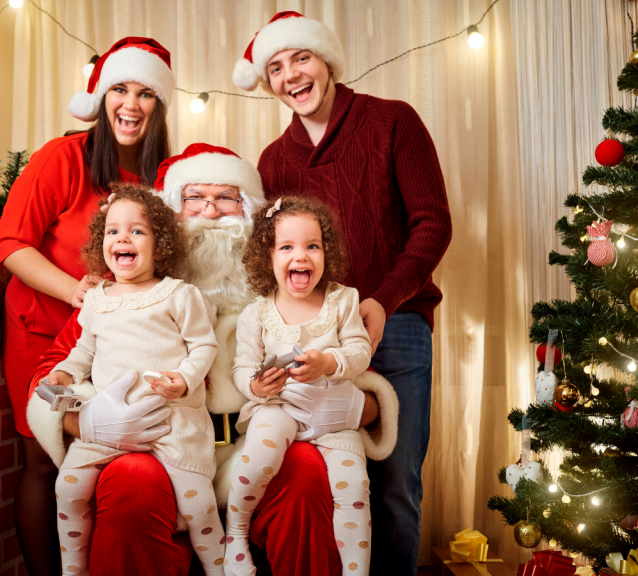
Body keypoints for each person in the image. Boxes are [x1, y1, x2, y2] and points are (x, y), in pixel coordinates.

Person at [26, 144, 399, 576]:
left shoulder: (298, 290)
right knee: (130, 480)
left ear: (253, 216)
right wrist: (84, 421)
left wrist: (352, 407)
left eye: (226, 198)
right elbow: (51, 371)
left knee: (307, 471)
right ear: (169, 217)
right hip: (163, 445)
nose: (210, 211)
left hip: (261, 448)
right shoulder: (116, 293)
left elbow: (361, 381)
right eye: (193, 198)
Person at [232, 12, 452, 575]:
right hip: (311, 336)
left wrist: (381, 298)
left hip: (396, 322)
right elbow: (272, 255)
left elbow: (433, 222)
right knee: (323, 475)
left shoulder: (392, 122)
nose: (291, 76)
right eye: (275, 68)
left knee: (396, 482)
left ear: (325, 60)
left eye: (300, 58)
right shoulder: (274, 161)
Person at [0, 37, 175, 576]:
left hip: (113, 347)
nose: (131, 104)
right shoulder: (62, 157)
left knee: (102, 458)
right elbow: (10, 244)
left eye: (145, 93)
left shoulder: (161, 178)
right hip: (41, 336)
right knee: (45, 461)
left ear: (159, 105)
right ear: (100, 95)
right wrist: (75, 290)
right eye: (119, 88)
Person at [47, 184, 224, 576]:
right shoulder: (97, 299)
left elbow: (204, 347)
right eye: (112, 231)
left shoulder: (178, 295)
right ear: (101, 243)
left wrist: (184, 379)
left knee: (197, 505)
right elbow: (84, 351)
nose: (122, 238)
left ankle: (220, 568)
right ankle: (73, 570)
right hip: (108, 423)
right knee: (68, 487)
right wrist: (64, 373)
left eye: (137, 231)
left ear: (160, 244)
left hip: (172, 420)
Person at [226, 197, 373, 576]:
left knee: (355, 493)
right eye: (287, 247)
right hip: (279, 408)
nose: (301, 256)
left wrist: (329, 362)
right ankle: (235, 533)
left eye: (312, 246)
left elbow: (359, 350)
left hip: (334, 419)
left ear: (327, 254)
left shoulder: (343, 300)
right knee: (258, 457)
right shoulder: (255, 313)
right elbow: (242, 368)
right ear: (268, 257)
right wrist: (258, 387)